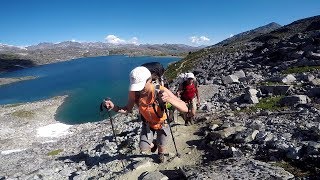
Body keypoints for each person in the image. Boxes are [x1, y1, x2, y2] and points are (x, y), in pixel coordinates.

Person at [104, 66, 188, 163]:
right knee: (143, 148)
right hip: (148, 124)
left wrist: (168, 99)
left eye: (141, 86)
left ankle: (160, 154)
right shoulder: (134, 93)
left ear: (150, 80)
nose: (140, 89)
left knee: (162, 145)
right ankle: (154, 144)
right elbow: (127, 109)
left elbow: (184, 108)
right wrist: (114, 107)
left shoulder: (159, 90)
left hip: (162, 124)